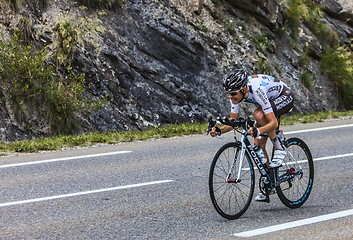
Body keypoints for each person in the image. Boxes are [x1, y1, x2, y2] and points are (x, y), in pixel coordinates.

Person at [209, 69, 294, 202]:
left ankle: (279, 147)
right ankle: (269, 182)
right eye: (228, 94)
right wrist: (219, 130)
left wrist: (259, 131)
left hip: (283, 96)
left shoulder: (257, 89)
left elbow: (273, 122)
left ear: (243, 89)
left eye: (232, 94)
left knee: (259, 115)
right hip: (269, 101)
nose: (230, 97)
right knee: (257, 146)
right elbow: (232, 123)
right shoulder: (235, 93)